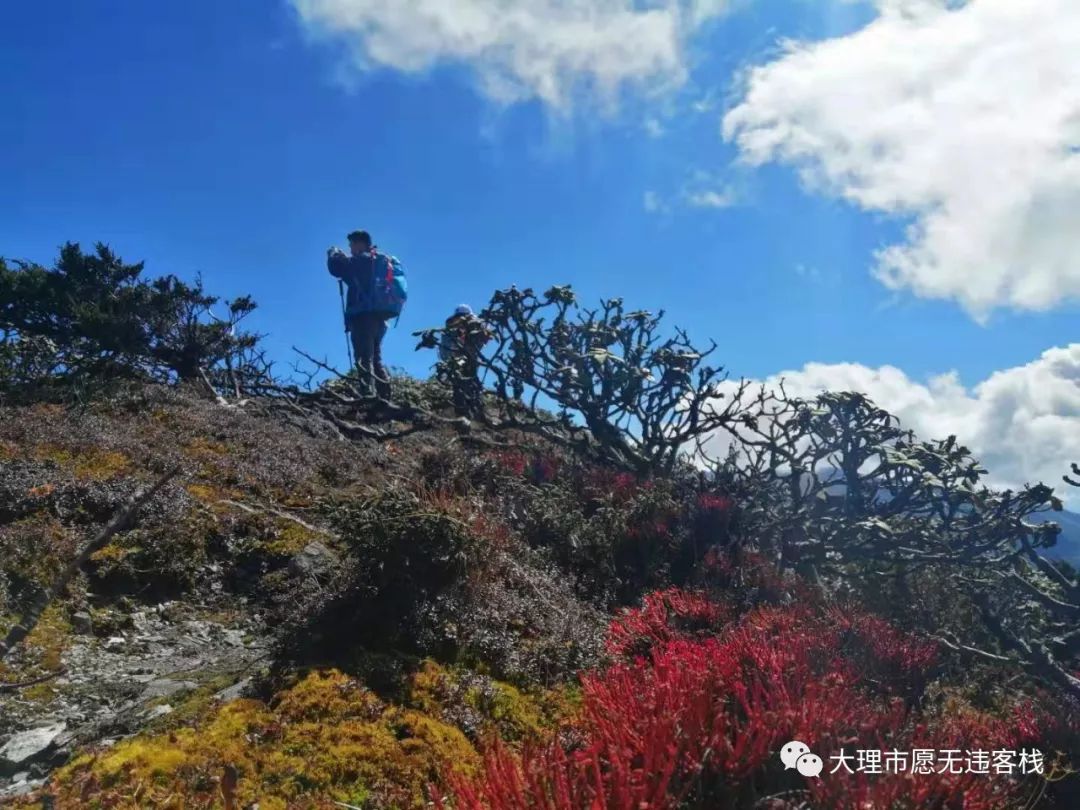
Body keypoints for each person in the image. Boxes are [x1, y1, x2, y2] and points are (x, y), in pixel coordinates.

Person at [327, 230, 392, 399]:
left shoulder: (361, 261)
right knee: (375, 359)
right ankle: (385, 398)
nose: (350, 247)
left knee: (364, 359)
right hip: (379, 318)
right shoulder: (375, 261)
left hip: (363, 317)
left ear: (361, 243)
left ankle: (368, 398)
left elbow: (336, 268)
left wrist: (333, 254)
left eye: (352, 244)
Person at [439, 304, 490, 417]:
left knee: (469, 385)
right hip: (458, 360)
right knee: (463, 386)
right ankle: (465, 416)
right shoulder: (452, 330)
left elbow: (483, 340)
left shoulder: (471, 328)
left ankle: (473, 414)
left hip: (467, 361)